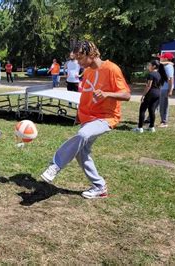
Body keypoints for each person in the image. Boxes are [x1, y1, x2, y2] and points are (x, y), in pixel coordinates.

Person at [40, 41, 131, 199]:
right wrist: (78, 114)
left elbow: (126, 95)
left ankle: (55, 165)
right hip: (88, 117)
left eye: (80, 58)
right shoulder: (87, 72)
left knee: (82, 135)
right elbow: (86, 95)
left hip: (106, 118)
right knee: (82, 153)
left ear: (91, 54)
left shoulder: (111, 69)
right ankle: (99, 186)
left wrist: (107, 94)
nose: (79, 62)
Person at [132, 60, 162, 133]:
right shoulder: (159, 74)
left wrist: (143, 95)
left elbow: (149, 86)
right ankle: (151, 127)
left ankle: (140, 128)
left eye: (150, 65)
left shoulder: (151, 74)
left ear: (154, 66)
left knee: (142, 110)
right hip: (158, 93)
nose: (148, 66)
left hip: (151, 93)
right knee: (152, 110)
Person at [157, 52, 175, 128]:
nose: (161, 58)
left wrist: (170, 90)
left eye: (162, 57)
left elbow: (171, 79)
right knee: (157, 104)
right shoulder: (166, 65)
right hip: (162, 88)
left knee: (163, 106)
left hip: (165, 89)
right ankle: (149, 119)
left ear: (166, 58)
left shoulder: (168, 67)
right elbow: (159, 62)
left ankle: (164, 122)